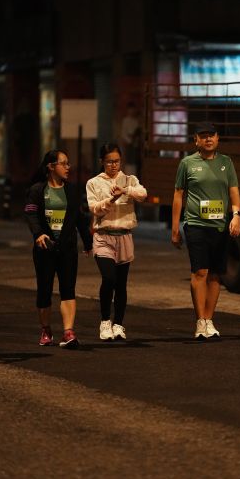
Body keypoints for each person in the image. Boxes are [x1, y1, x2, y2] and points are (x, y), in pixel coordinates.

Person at [172, 122, 240, 339]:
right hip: (196, 225)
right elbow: (178, 195)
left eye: (211, 135)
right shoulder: (187, 163)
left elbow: (234, 192)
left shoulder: (226, 162)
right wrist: (175, 228)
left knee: (215, 275)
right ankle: (200, 321)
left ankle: (209, 320)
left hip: (219, 226)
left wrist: (237, 216)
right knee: (200, 272)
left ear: (218, 138)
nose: (208, 139)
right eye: (203, 136)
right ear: (196, 140)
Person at [24, 149, 92, 348]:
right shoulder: (37, 190)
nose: (68, 167)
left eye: (68, 163)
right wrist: (38, 234)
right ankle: (46, 330)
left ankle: (68, 332)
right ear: (51, 167)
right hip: (45, 248)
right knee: (44, 290)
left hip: (67, 248)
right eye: (64, 163)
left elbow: (80, 218)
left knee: (68, 289)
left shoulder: (72, 191)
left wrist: (88, 243)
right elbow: (30, 214)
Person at [86, 142, 147, 341]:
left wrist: (125, 191)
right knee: (109, 278)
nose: (113, 165)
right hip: (103, 236)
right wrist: (111, 199)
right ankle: (105, 322)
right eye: (109, 161)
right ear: (101, 162)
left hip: (124, 235)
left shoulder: (129, 180)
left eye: (117, 161)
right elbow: (95, 208)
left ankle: (118, 324)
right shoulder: (94, 183)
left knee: (121, 284)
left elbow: (143, 194)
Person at [120, 101, 142, 176]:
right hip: (128, 145)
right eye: (130, 109)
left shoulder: (136, 121)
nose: (132, 111)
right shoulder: (125, 120)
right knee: (129, 163)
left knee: (135, 164)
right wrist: (130, 141)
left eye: (133, 109)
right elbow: (123, 134)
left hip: (136, 145)